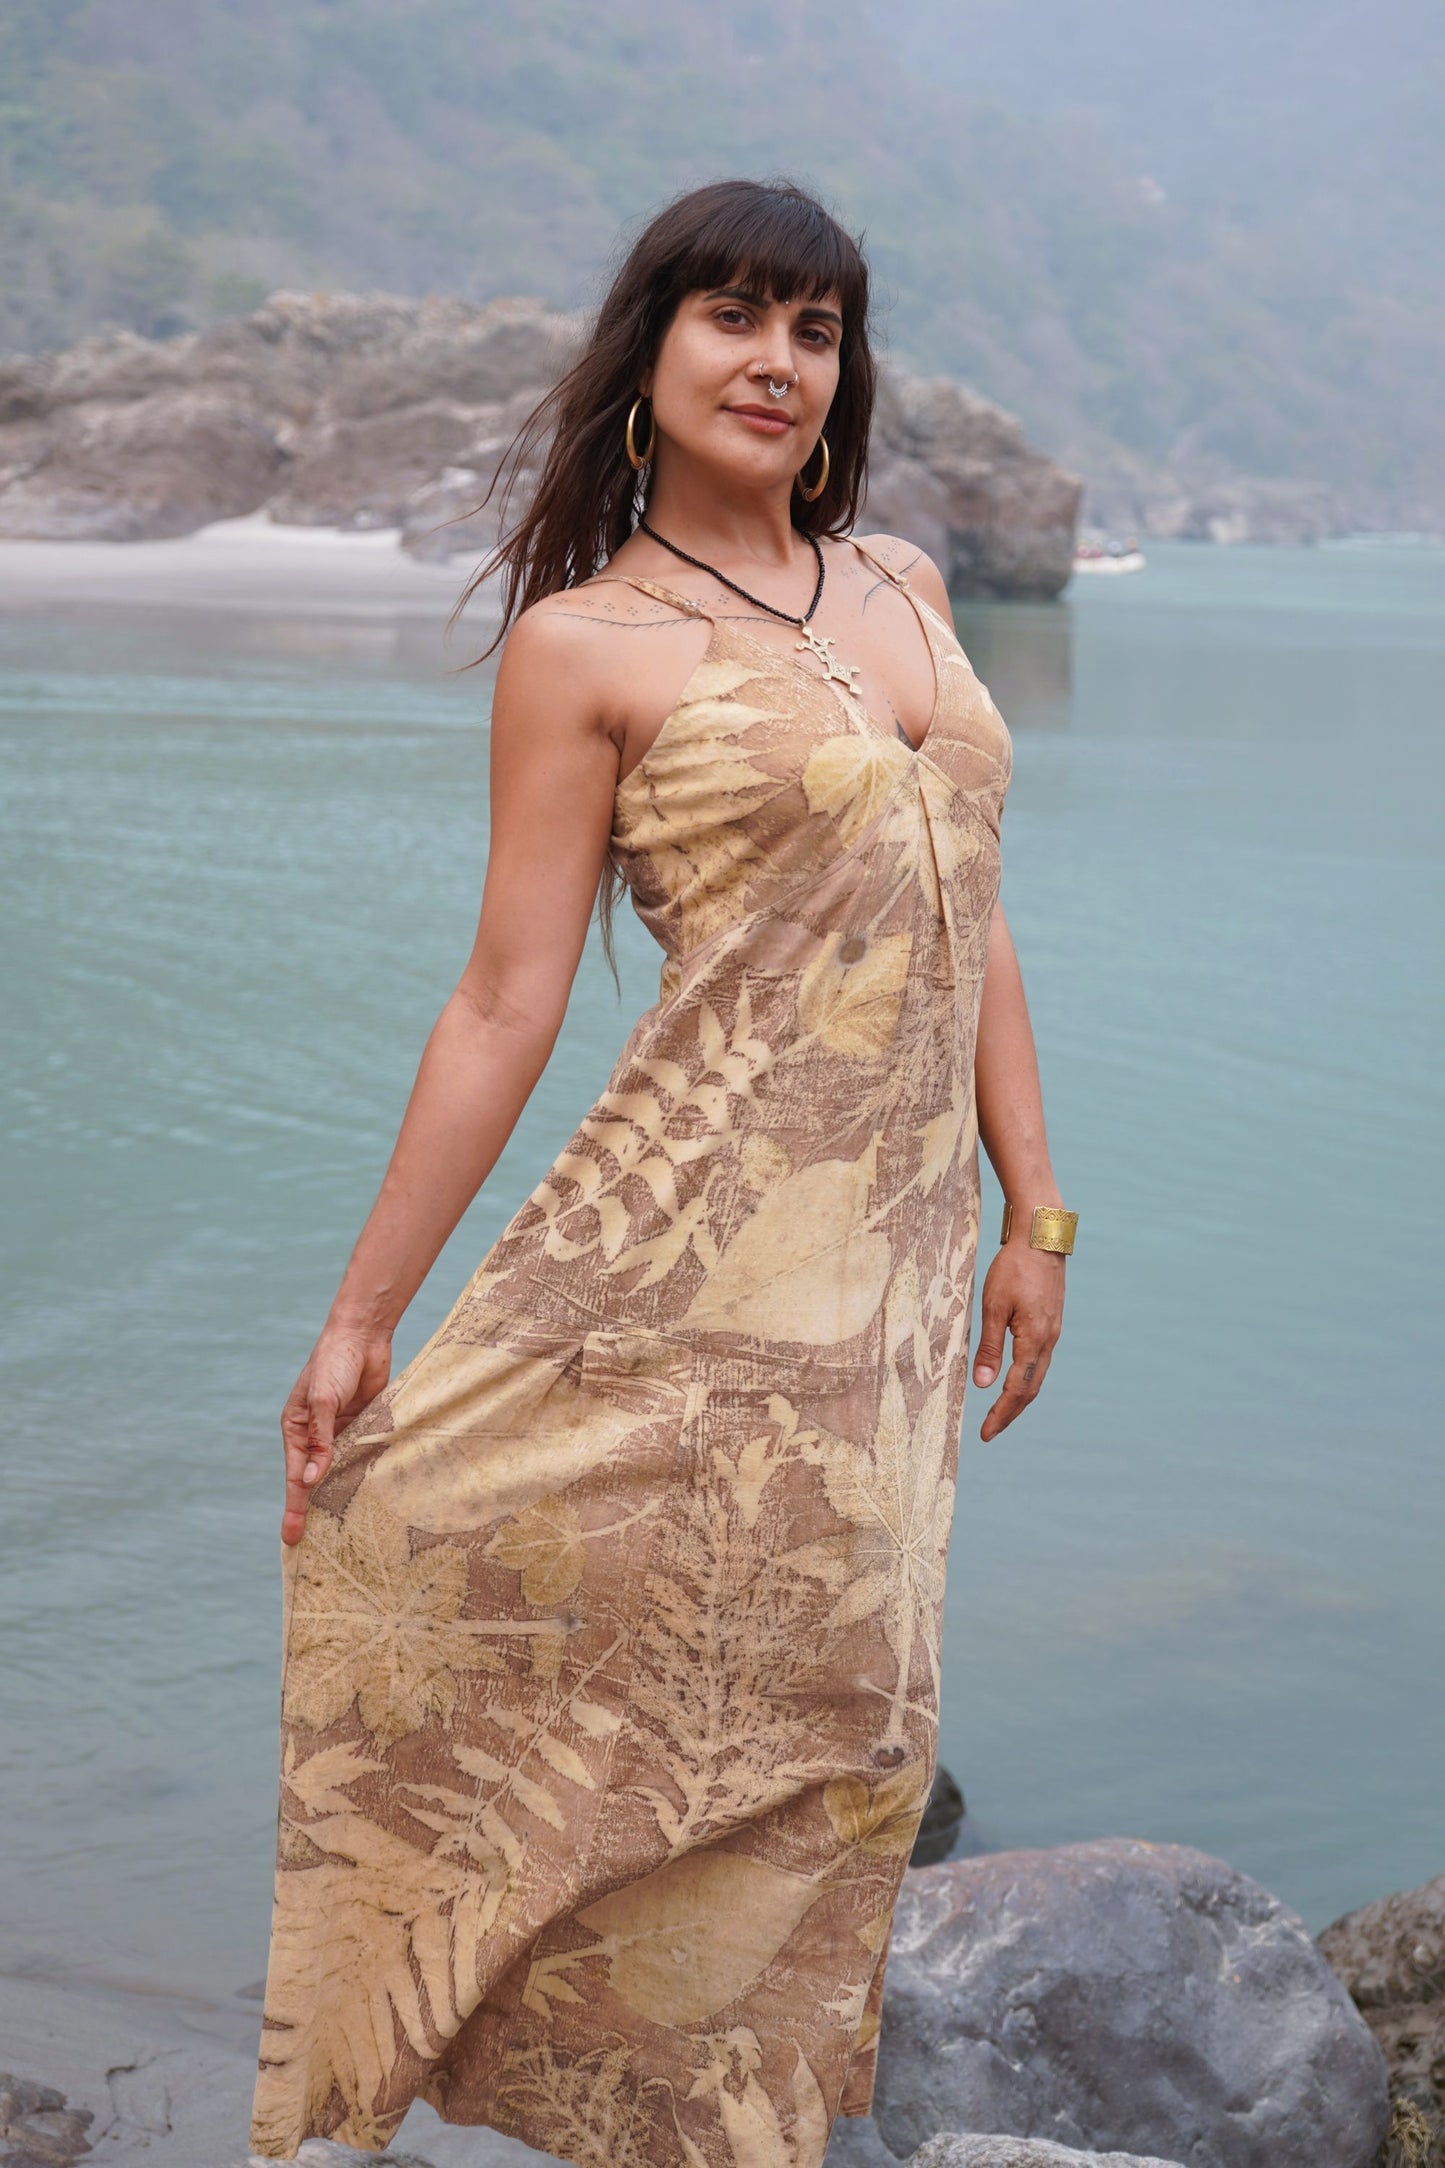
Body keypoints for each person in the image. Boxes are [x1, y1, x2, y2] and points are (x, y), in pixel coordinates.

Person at [249, 175, 1075, 2168]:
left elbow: (975, 907)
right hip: (681, 1268)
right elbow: (504, 1002)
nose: (779, 362)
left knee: (845, 1732)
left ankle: (740, 2130)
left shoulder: (906, 586)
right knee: (592, 1675)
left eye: (815, 329)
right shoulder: (587, 644)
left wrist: (1037, 1210)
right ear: (653, 351)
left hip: (882, 1289)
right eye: (734, 317)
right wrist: (361, 1319)